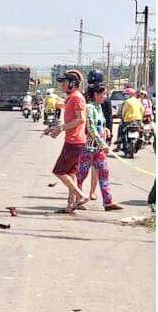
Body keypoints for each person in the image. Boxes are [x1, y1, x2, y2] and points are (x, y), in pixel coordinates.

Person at [76, 70, 122, 211]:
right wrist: (102, 143)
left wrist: (106, 132)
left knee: (104, 172)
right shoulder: (89, 108)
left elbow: (101, 125)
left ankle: (108, 202)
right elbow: (91, 129)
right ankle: (76, 199)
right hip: (88, 148)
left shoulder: (99, 107)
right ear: (95, 94)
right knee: (81, 175)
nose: (105, 97)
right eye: (103, 94)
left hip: (99, 149)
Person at [45, 69, 89, 213]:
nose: (62, 85)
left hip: (74, 141)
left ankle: (81, 195)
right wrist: (55, 129)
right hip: (74, 140)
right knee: (71, 173)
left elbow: (80, 119)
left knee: (59, 171)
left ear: (72, 83)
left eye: (64, 82)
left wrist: (62, 127)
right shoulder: (71, 98)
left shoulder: (77, 98)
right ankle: (70, 205)